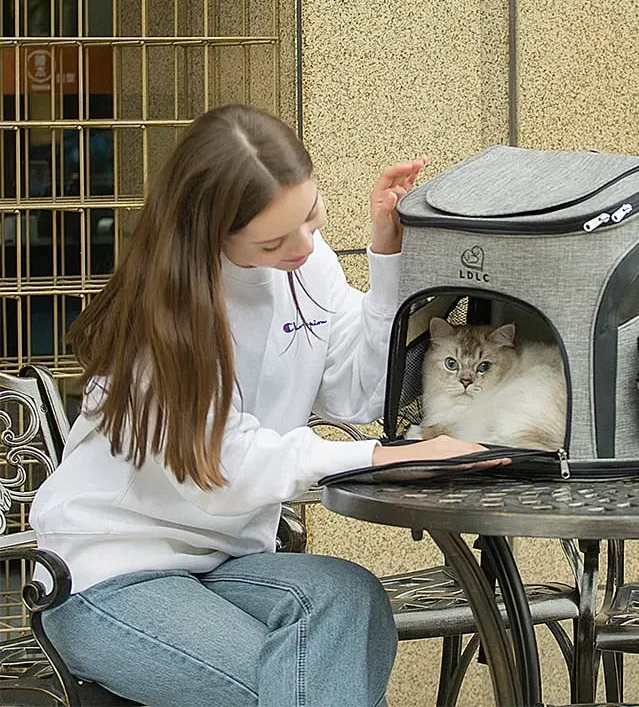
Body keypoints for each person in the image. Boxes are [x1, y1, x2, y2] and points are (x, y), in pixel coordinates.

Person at [30, 105, 500, 707]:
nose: (303, 245)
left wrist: (387, 261)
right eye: (274, 240)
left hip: (226, 561)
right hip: (108, 575)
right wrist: (384, 458)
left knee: (350, 599)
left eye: (311, 216)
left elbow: (359, 391)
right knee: (305, 689)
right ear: (213, 234)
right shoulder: (165, 317)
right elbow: (224, 468)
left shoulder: (305, 262)